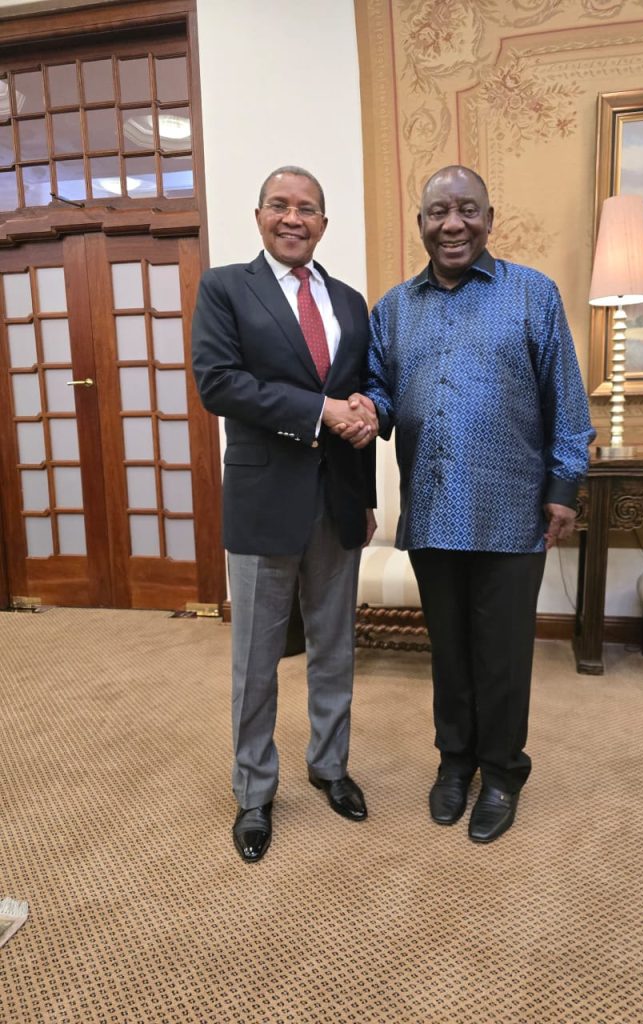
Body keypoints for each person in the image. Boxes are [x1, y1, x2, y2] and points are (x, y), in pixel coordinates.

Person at [340, 165, 594, 844]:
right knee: (449, 653)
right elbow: (381, 391)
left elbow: (567, 400)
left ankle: (503, 772)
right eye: (438, 212)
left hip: (512, 512)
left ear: (489, 218)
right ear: (421, 222)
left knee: (503, 656)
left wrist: (563, 488)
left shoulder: (532, 294)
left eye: (467, 210)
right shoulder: (394, 308)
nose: (453, 224)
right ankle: (455, 762)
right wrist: (366, 409)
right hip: (431, 510)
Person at [192, 166, 378, 863]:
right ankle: (254, 791)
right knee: (256, 661)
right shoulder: (225, 288)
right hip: (264, 500)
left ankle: (330, 766)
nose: (292, 218)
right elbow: (219, 383)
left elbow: (361, 391)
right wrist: (319, 411)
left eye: (307, 208)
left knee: (335, 649)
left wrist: (367, 482)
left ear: (324, 223)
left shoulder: (349, 300)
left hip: (338, 500)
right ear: (259, 216)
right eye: (279, 205)